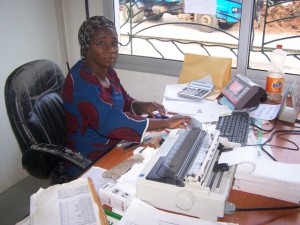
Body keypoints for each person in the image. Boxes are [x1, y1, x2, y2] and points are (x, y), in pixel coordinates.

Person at [62, 16, 191, 178]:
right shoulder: (81, 82)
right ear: (87, 46)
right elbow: (111, 123)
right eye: (102, 43)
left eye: (114, 43)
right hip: (89, 160)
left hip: (114, 146)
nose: (111, 49)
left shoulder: (107, 71)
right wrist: (167, 122)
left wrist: (141, 105)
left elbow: (124, 100)